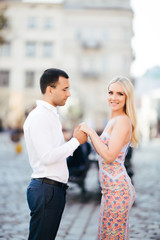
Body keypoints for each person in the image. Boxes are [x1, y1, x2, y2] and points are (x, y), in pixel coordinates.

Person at [23, 68, 87, 240]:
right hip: (46, 189)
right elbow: (47, 156)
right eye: (65, 89)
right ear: (50, 90)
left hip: (52, 190)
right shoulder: (39, 116)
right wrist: (76, 141)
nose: (69, 93)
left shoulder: (50, 115)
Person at [80, 76, 139, 240]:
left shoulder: (122, 121)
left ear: (127, 97)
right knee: (108, 236)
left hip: (118, 191)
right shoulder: (114, 120)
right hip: (110, 190)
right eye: (111, 92)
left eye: (120, 94)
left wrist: (91, 133)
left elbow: (109, 156)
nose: (114, 97)